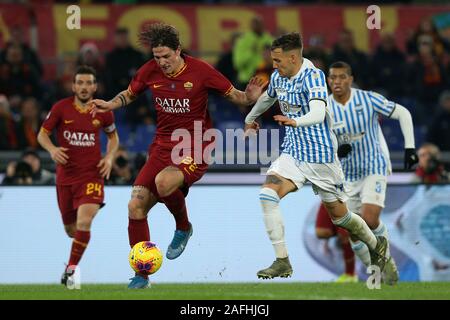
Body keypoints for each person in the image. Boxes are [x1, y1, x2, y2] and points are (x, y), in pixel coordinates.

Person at [90, 23, 265, 289]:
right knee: (135, 206)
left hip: (196, 144)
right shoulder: (149, 70)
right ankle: (142, 275)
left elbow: (237, 97)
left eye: (166, 57)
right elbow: (129, 94)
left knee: (163, 182)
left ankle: (183, 227)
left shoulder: (201, 71)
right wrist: (110, 104)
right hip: (162, 146)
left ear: (178, 51)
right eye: (157, 57)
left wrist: (249, 97)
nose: (161, 63)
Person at [243, 32, 388, 280]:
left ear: (292, 58)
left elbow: (319, 112)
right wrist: (250, 118)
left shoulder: (314, 77)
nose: (273, 66)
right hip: (292, 152)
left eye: (277, 61)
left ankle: (376, 245)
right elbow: (268, 97)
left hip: (321, 157)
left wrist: (295, 121)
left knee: (341, 218)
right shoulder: (279, 76)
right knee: (267, 194)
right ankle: (282, 261)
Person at [325, 61, 418, 285]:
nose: (336, 82)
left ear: (350, 79)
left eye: (341, 77)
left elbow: (403, 113)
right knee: (354, 232)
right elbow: (319, 143)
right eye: (332, 78)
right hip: (347, 176)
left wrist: (410, 148)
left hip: (373, 166)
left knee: (369, 218)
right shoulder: (324, 108)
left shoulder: (368, 99)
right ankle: (377, 270)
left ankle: (387, 262)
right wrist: (336, 148)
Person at [37, 65, 119, 287]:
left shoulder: (103, 110)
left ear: (94, 86)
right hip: (65, 178)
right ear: (73, 86)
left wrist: (109, 158)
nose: (84, 87)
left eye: (88, 83)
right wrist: (53, 150)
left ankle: (71, 271)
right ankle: (75, 259)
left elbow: (113, 138)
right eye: (80, 83)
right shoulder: (61, 108)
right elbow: (42, 135)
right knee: (71, 230)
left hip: (92, 175)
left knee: (84, 221)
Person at [315, 203, 357, 283]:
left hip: (347, 195)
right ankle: (351, 233)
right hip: (328, 194)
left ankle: (350, 274)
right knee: (321, 232)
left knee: (344, 234)